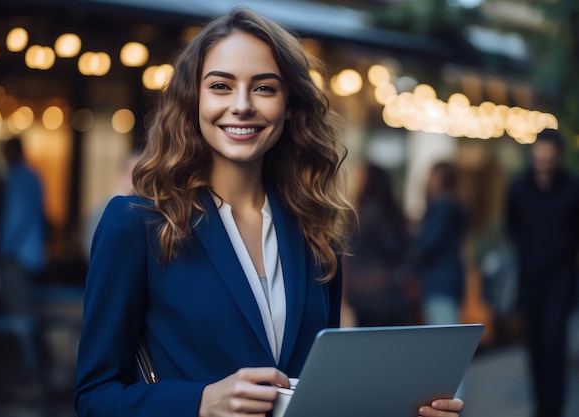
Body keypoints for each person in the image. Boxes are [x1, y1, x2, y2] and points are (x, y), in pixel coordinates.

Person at [74, 8, 465, 417]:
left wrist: (406, 409)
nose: (242, 106)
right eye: (221, 86)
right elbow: (95, 397)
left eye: (264, 88)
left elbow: (313, 395)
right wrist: (200, 402)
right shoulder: (136, 223)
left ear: (291, 106)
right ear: (193, 100)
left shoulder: (315, 230)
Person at [504, 128, 579, 417]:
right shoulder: (519, 187)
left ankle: (553, 409)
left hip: (561, 279)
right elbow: (512, 225)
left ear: (557, 156)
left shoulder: (573, 188)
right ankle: (540, 407)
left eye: (549, 154)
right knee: (534, 345)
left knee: (554, 342)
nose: (543, 160)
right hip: (530, 279)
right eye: (540, 154)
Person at [343, 161, 416, 327]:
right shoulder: (383, 211)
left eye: (359, 177)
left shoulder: (369, 212)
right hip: (380, 294)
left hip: (371, 294)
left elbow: (392, 249)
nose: (355, 181)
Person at [409, 161, 468, 328]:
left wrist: (413, 235)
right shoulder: (456, 205)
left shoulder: (442, 206)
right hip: (450, 279)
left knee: (444, 335)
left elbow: (429, 242)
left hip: (438, 281)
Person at [0, 136, 47, 315]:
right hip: (31, 252)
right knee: (26, 305)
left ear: (13, 151)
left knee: (17, 309)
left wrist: (4, 248)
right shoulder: (33, 176)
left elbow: (16, 219)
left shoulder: (17, 177)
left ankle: (23, 344)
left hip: (17, 254)